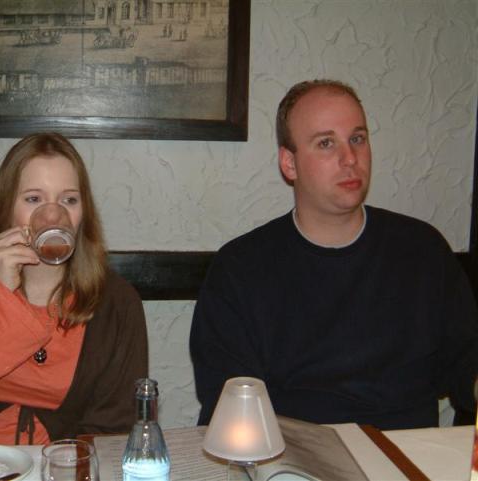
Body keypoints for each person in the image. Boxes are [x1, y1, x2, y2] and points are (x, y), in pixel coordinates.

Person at [190, 79, 478, 430]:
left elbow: (464, 362)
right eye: (326, 143)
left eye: (357, 139)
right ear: (290, 164)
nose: (350, 159)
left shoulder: (423, 250)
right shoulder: (240, 269)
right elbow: (230, 408)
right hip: (293, 451)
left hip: (407, 451)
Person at [0, 133, 148, 445]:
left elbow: (113, 428)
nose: (53, 215)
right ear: (7, 207)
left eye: (68, 200)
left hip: (67, 461)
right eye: (33, 199)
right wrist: (0, 292)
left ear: (83, 213)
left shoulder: (117, 302)